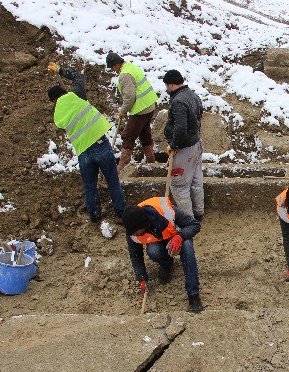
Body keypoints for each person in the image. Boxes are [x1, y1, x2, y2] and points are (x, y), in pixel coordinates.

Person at [47, 63, 126, 223]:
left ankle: (95, 215)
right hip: (99, 144)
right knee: (112, 180)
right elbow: (79, 77)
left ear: (53, 101)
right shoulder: (75, 95)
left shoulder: (57, 115)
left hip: (83, 151)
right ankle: (121, 212)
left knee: (90, 186)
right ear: (64, 93)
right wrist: (60, 70)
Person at [122, 196, 203, 313]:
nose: (133, 234)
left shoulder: (166, 212)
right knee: (153, 251)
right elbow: (135, 255)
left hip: (178, 237)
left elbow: (194, 225)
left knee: (187, 248)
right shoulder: (132, 230)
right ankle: (167, 263)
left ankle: (193, 295)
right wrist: (142, 277)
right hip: (160, 242)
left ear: (143, 224)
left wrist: (180, 236)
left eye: (135, 231)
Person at [105, 52, 159, 172]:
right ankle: (151, 161)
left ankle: (122, 166)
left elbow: (129, 97)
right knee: (144, 133)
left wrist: (123, 111)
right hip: (149, 105)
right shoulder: (131, 67)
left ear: (117, 64)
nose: (113, 70)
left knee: (128, 136)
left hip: (140, 109)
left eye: (112, 67)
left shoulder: (125, 75)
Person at [163, 69, 205, 221]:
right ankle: (199, 213)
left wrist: (174, 145)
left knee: (179, 186)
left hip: (184, 149)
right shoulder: (193, 95)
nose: (166, 89)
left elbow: (180, 128)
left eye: (167, 86)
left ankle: (188, 220)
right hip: (196, 144)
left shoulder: (179, 101)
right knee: (195, 181)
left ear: (172, 84)